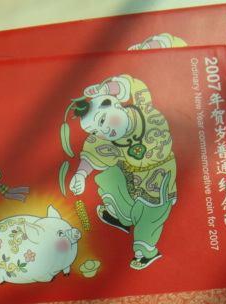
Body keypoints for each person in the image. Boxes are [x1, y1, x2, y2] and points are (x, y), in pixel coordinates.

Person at [65, 74, 177, 269]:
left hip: (159, 175)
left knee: (152, 212)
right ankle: (121, 216)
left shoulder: (145, 111)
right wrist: (81, 175)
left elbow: (134, 85)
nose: (104, 131)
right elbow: (92, 153)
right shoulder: (107, 140)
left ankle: (145, 251)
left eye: (102, 120)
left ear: (117, 105)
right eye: (95, 130)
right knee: (110, 176)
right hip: (131, 174)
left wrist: (106, 89)